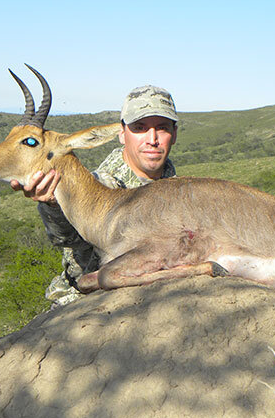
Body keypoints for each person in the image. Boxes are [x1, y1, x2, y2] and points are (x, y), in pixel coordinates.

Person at [11, 85, 179, 306]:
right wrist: (52, 204)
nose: (152, 139)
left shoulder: (178, 190)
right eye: (139, 128)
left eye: (162, 128)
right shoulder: (100, 184)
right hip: (84, 301)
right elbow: (66, 239)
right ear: (122, 133)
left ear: (174, 134)